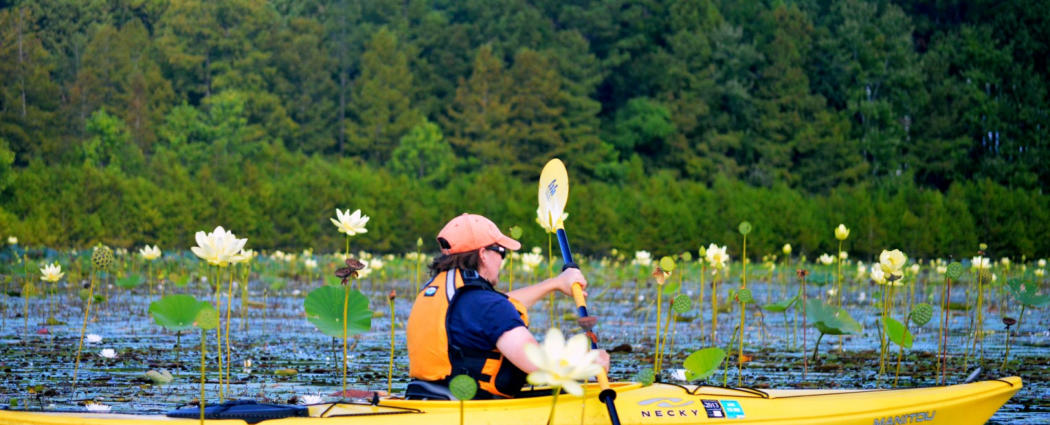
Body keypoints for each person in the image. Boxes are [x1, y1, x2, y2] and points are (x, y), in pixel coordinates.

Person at [406, 213, 610, 399]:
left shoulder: (442, 292)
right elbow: (537, 365)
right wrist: (587, 364)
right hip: (473, 408)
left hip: (425, 397)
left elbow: (502, 305)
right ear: (484, 254)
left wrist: (555, 283)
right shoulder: (488, 306)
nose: (502, 260)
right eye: (501, 251)